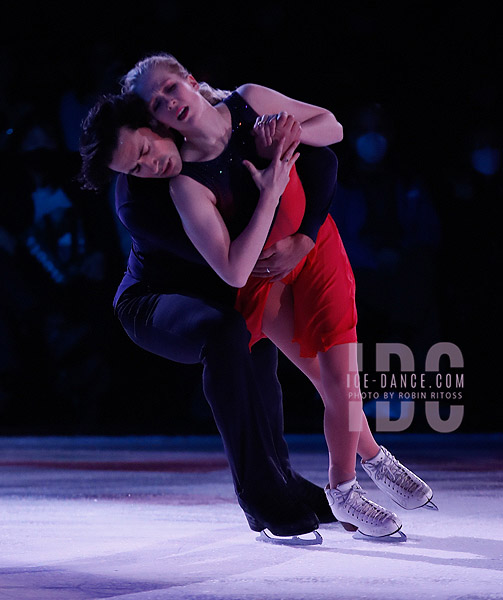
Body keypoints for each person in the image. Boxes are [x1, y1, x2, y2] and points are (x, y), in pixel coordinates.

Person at [122, 52, 436, 539]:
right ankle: (351, 483)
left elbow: (329, 137)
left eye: (170, 88)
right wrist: (270, 188)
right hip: (260, 274)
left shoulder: (249, 102)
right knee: (324, 374)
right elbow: (230, 268)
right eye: (157, 105)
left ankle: (361, 470)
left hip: (312, 246)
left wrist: (289, 139)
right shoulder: (182, 181)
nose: (169, 102)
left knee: (341, 368)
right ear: (155, 121)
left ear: (190, 80)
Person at [79, 92, 345, 545]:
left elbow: (322, 160)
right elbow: (228, 267)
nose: (149, 167)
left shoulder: (218, 126)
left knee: (250, 339)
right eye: (135, 168)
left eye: (145, 151)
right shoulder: (138, 204)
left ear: (156, 125)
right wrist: (270, 198)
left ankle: (282, 476)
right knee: (226, 332)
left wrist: (306, 234)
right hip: (154, 300)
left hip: (227, 290)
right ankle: (260, 494)